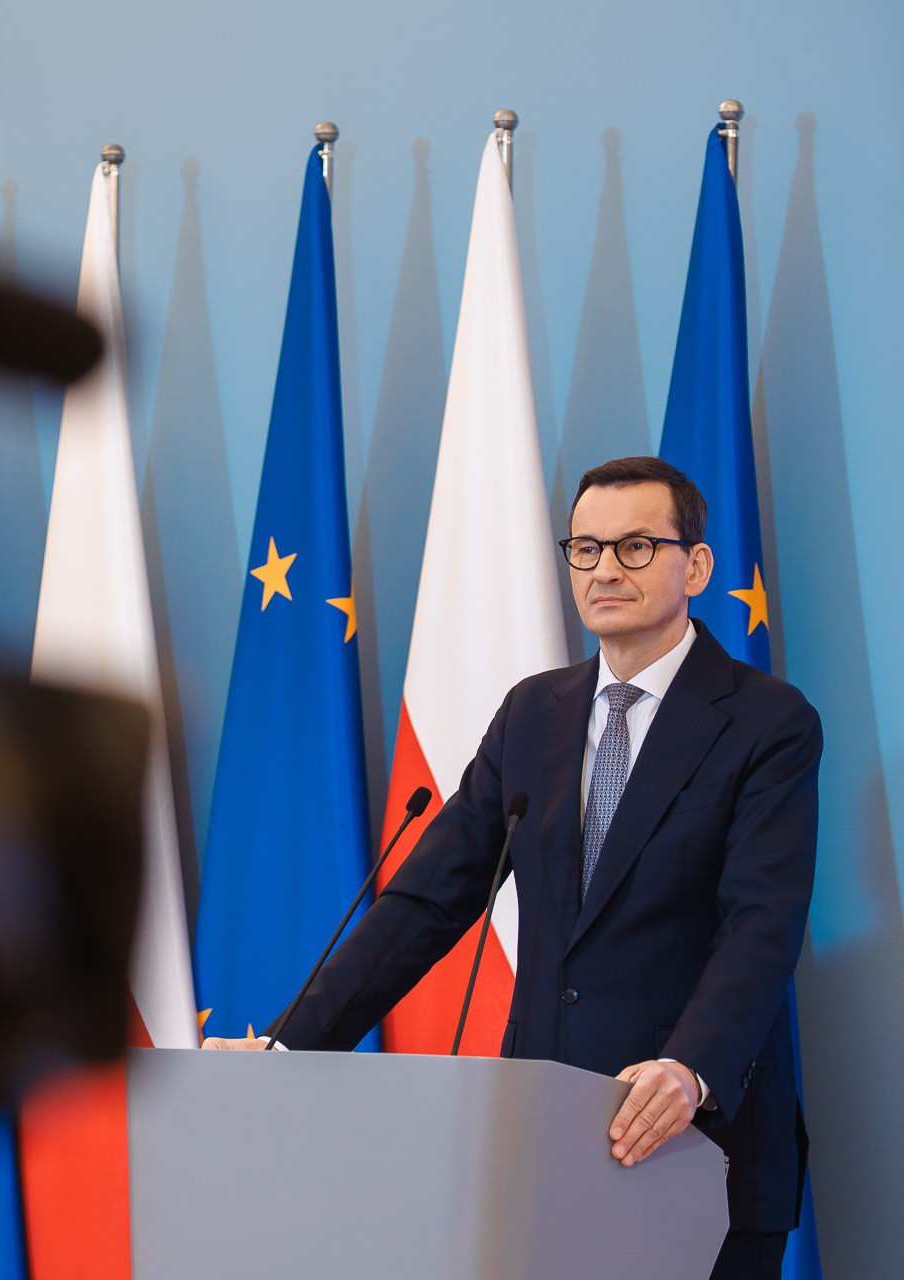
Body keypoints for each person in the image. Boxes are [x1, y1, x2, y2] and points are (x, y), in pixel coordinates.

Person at [205, 456, 818, 1280]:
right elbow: (424, 903)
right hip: (547, 1144)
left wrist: (691, 1067)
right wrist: (291, 1048)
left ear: (696, 566)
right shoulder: (534, 713)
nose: (605, 569)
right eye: (586, 548)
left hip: (695, 1141)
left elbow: (762, 925)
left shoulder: (768, 722)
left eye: (636, 547)